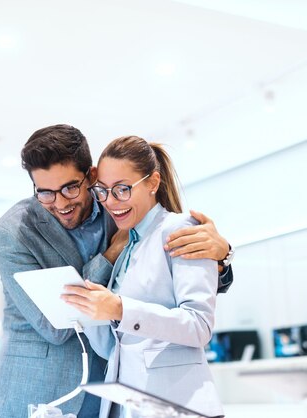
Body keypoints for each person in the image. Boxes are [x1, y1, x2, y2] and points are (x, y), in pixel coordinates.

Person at [0, 125, 232, 418]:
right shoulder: (10, 234)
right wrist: (110, 255)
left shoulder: (118, 205)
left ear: (90, 177)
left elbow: (173, 280)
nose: (61, 203)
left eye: (69, 188)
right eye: (45, 193)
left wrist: (223, 256)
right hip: (40, 389)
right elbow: (54, 326)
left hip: (113, 391)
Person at [63, 135, 224, 417]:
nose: (111, 202)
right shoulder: (126, 245)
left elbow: (199, 326)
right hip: (125, 404)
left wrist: (120, 308)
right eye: (103, 191)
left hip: (175, 405)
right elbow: (113, 345)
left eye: (122, 189)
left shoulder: (180, 230)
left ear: (152, 183)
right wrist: (86, 311)